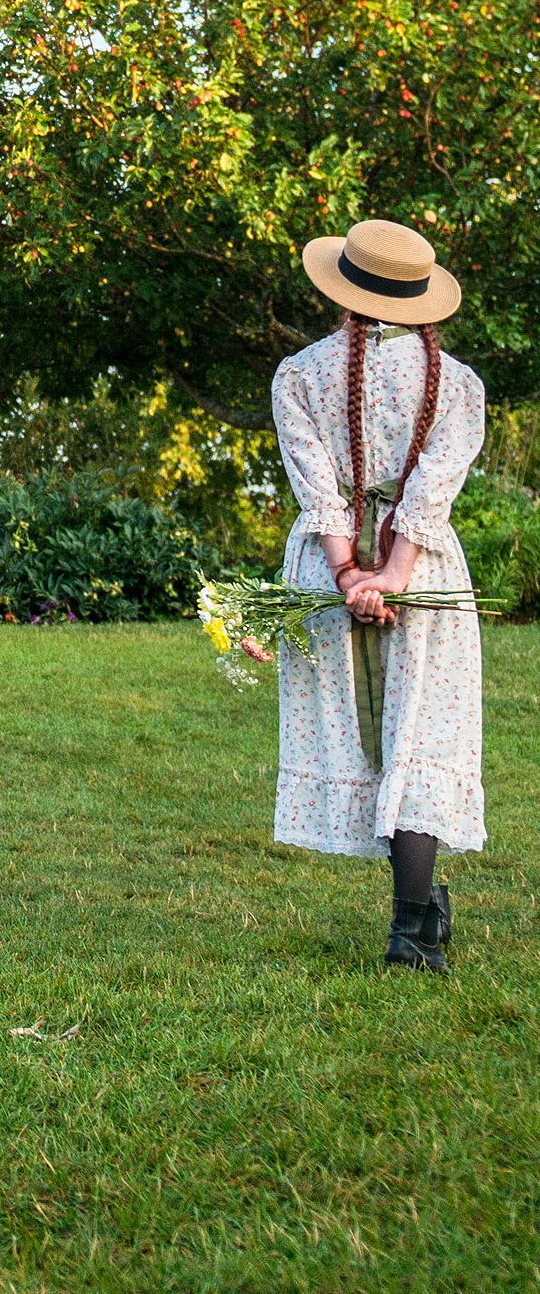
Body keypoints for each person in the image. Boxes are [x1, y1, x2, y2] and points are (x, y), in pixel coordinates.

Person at [270, 219, 486, 972]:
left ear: (345, 290)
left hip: (332, 574)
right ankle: (414, 925)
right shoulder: (457, 383)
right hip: (422, 569)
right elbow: (430, 490)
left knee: (371, 739)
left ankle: (420, 920)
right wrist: (393, 572)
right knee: (419, 735)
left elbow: (319, 488)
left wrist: (347, 574)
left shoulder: (300, 374)